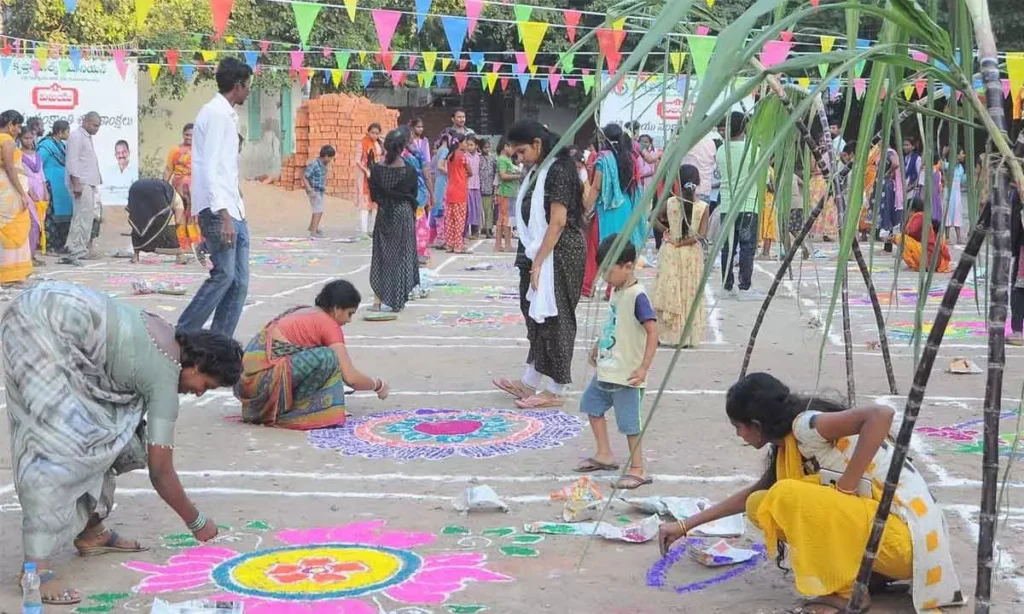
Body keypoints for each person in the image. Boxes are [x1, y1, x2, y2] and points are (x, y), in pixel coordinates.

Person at [1, 280, 243, 606]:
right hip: (37, 330)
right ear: (197, 364)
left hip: (47, 314)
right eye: (205, 385)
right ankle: (36, 570)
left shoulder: (169, 336)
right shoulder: (163, 375)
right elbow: (161, 471)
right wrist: (198, 523)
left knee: (110, 433)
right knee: (60, 448)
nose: (199, 393)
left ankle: (92, 531)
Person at [658, 373, 964, 613]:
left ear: (755, 424)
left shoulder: (805, 426)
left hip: (908, 542)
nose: (738, 435)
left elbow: (880, 415)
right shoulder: (785, 446)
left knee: (787, 495)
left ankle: (847, 593)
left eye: (738, 427)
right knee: (760, 503)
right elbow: (752, 494)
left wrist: (846, 485)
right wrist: (685, 525)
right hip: (887, 540)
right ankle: (868, 576)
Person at [492, 120, 586, 409]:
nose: (518, 159)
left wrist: (539, 263)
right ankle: (530, 380)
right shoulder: (537, 170)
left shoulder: (559, 170)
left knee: (555, 318)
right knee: (534, 316)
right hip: (536, 251)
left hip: (559, 253)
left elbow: (557, 222)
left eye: (520, 152)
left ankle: (556, 388)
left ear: (537, 144)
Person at [235, 280, 390, 430]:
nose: (349, 320)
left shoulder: (304, 311)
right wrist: (377, 385)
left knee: (326, 360)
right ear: (336, 309)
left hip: (247, 381)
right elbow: (350, 378)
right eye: (349, 313)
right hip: (262, 383)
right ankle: (293, 413)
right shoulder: (328, 324)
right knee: (328, 357)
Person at [176, 57, 253, 338]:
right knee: (224, 275)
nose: (249, 91)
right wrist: (223, 216)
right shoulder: (216, 114)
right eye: (247, 86)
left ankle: (220, 340)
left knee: (240, 281)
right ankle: (184, 331)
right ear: (238, 85)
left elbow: (224, 167)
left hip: (234, 206)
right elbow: (208, 167)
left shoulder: (227, 114)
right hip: (219, 209)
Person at [575, 234, 657, 488]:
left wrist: (643, 367)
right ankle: (604, 453)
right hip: (607, 369)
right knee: (591, 405)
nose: (604, 278)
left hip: (626, 374)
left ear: (628, 266)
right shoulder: (617, 292)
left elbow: (653, 331)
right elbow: (613, 323)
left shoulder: (637, 296)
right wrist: (599, 347)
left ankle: (638, 468)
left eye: (608, 271)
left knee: (630, 423)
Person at [653, 164, 708, 348]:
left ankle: (669, 334)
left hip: (671, 253)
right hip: (691, 255)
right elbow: (701, 236)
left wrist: (669, 233)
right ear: (697, 182)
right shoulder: (703, 207)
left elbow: (653, 218)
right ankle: (686, 336)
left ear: (678, 182)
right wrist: (682, 242)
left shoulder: (670, 202)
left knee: (671, 291)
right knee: (689, 294)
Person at [368, 128, 420, 315]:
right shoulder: (409, 170)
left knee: (381, 256)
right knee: (401, 257)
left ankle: (377, 301)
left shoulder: (376, 169)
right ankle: (398, 300)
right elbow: (413, 195)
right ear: (401, 147)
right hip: (403, 214)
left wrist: (386, 201)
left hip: (384, 214)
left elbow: (374, 196)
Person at [583, 124, 639, 298]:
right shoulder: (629, 157)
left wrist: (585, 209)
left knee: (597, 248)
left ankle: (588, 288)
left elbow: (596, 187)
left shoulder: (603, 159)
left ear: (604, 139)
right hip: (626, 208)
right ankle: (613, 289)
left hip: (607, 210)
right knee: (621, 248)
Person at [717, 111, 761, 299]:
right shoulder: (753, 149)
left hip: (727, 206)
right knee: (746, 247)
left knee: (728, 248)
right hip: (748, 205)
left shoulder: (721, 150)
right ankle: (745, 287)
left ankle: (727, 286)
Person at [61, 111, 102, 267]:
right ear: (85, 121)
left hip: (89, 182)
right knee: (81, 217)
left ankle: (79, 249)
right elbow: (72, 161)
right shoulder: (77, 136)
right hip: (81, 182)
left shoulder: (86, 137)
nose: (96, 129)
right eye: (94, 125)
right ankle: (75, 251)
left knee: (86, 217)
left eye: (98, 126)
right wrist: (76, 183)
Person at [0, 111, 34, 286]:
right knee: (15, 227)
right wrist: (22, 193)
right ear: (10, 124)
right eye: (18, 126)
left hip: (4, 188)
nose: (19, 130)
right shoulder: (6, 140)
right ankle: (10, 273)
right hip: (8, 189)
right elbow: (10, 169)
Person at [125, 179, 191, 264]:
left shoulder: (169, 193)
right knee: (169, 228)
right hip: (153, 192)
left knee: (139, 224)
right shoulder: (178, 201)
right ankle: (180, 256)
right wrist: (172, 229)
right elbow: (177, 221)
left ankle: (136, 256)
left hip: (136, 188)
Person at [163, 123, 202, 258]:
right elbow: (169, 169)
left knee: (193, 216)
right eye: (186, 135)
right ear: (182, 134)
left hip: (195, 189)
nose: (189, 138)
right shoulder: (175, 150)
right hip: (178, 188)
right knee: (179, 216)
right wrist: (164, 187)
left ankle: (195, 244)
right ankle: (181, 245)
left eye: (192, 135)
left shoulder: (200, 151)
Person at [38, 120, 73, 253]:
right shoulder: (45, 146)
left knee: (63, 217)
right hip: (50, 186)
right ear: (60, 132)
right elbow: (38, 165)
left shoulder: (62, 145)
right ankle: (49, 246)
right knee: (50, 218)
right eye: (67, 131)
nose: (69, 134)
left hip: (63, 187)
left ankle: (60, 245)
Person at [402, 129, 435, 268]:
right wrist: (432, 194)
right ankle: (418, 253)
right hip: (418, 194)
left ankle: (409, 254)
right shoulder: (417, 155)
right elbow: (426, 175)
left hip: (404, 195)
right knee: (420, 225)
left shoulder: (397, 156)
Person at [894, 197, 951, 273]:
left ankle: (920, 265)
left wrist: (894, 238)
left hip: (930, 257)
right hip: (934, 257)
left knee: (900, 238)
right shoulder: (923, 216)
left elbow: (911, 232)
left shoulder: (919, 217)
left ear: (912, 210)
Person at [18, 127, 49, 261]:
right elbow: (21, 176)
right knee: (33, 224)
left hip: (40, 191)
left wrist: (46, 191)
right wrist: (30, 193)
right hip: (27, 191)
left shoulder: (37, 154)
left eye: (31, 138)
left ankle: (32, 255)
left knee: (40, 223)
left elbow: (41, 174)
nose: (29, 141)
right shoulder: (18, 155)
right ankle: (28, 257)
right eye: (26, 138)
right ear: (19, 139)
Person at [444, 136, 472, 254]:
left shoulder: (450, 156)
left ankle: (450, 244)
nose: (466, 145)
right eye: (465, 142)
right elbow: (470, 172)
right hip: (460, 191)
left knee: (450, 219)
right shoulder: (463, 156)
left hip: (450, 190)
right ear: (460, 143)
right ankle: (458, 246)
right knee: (460, 219)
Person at [303, 144, 335, 238]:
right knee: (319, 210)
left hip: (320, 190)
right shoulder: (314, 164)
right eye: (330, 158)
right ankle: (313, 231)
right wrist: (309, 189)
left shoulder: (324, 165)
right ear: (325, 156)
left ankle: (313, 227)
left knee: (317, 209)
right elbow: (304, 176)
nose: (330, 160)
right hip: (314, 190)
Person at [357, 123, 384, 235]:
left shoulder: (379, 143)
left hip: (377, 175)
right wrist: (366, 171)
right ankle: (364, 230)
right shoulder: (362, 144)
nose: (374, 135)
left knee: (375, 204)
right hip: (365, 176)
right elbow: (358, 160)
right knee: (365, 204)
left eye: (377, 133)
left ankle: (372, 230)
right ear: (368, 132)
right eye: (372, 132)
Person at [495, 137, 520, 252]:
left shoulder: (507, 159)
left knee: (503, 219)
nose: (514, 150)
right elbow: (503, 175)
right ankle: (506, 244)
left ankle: (499, 245)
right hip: (506, 192)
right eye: (512, 147)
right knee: (506, 219)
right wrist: (519, 176)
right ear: (505, 147)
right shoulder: (502, 160)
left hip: (509, 192)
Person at [430, 133, 451, 249]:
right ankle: (442, 238)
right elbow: (439, 166)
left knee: (440, 211)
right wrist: (452, 172)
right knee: (442, 211)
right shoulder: (444, 151)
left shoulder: (440, 150)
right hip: (443, 182)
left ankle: (441, 237)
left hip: (440, 182)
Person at [945, 149, 966, 244]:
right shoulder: (947, 165)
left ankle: (958, 238)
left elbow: (963, 181)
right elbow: (941, 164)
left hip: (957, 193)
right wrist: (944, 153)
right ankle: (947, 237)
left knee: (958, 214)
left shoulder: (961, 167)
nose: (964, 155)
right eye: (962, 153)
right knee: (948, 213)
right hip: (949, 192)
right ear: (956, 155)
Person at [479, 138, 497, 239]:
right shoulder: (479, 158)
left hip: (489, 188)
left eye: (488, 147)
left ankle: (488, 229)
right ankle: (483, 228)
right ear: (480, 148)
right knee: (481, 210)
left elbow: (495, 172)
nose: (487, 149)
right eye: (485, 147)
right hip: (479, 187)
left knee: (489, 210)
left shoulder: (493, 158)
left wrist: (495, 187)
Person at [465, 136, 483, 238]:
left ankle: (475, 230)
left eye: (471, 145)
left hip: (477, 186)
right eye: (467, 145)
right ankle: (466, 231)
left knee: (476, 208)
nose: (469, 147)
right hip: (467, 186)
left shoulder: (479, 157)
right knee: (468, 209)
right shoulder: (465, 156)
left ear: (476, 146)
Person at [759, 164, 777, 258]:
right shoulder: (761, 167)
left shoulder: (769, 170)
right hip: (761, 201)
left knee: (767, 227)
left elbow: (773, 188)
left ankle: (766, 252)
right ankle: (763, 252)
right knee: (762, 227)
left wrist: (768, 183)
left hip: (768, 202)